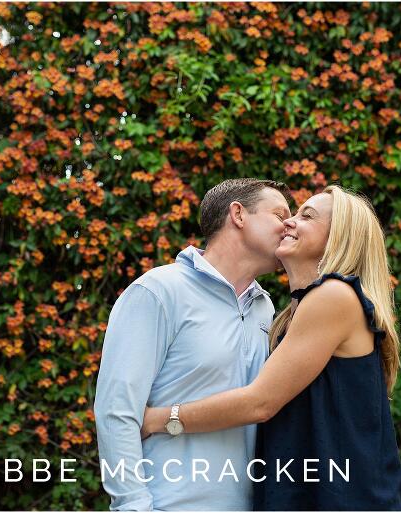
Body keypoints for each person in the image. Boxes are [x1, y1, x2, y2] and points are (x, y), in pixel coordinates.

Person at [142, 185, 401, 511]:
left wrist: (158, 419)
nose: (289, 223)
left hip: (347, 497)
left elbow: (260, 402)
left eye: (306, 216)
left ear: (339, 238)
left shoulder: (334, 296)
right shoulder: (283, 315)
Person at [95, 178, 293, 510]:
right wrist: (133, 505)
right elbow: (117, 412)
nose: (290, 225)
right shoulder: (158, 291)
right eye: (280, 214)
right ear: (238, 215)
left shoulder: (266, 307)